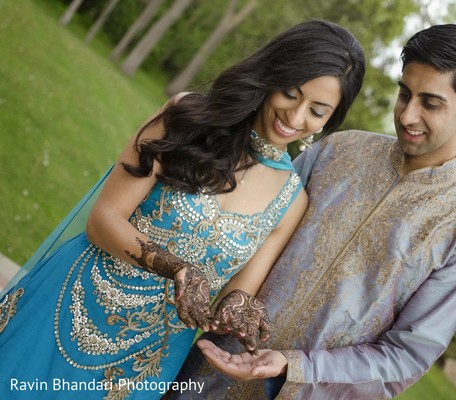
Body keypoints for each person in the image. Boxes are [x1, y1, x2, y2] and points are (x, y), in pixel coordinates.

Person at [0, 19, 365, 399]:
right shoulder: (187, 118)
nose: (295, 117)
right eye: (291, 93)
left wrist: (240, 310)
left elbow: (235, 294)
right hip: (71, 303)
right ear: (272, 75)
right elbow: (103, 219)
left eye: (317, 111)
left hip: (146, 360)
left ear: (329, 121)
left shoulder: (292, 201)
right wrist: (178, 268)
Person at [167, 23, 456, 400]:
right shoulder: (338, 150)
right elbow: (252, 225)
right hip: (211, 366)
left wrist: (293, 366)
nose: (407, 115)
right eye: (404, 94)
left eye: (431, 103)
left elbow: (403, 358)